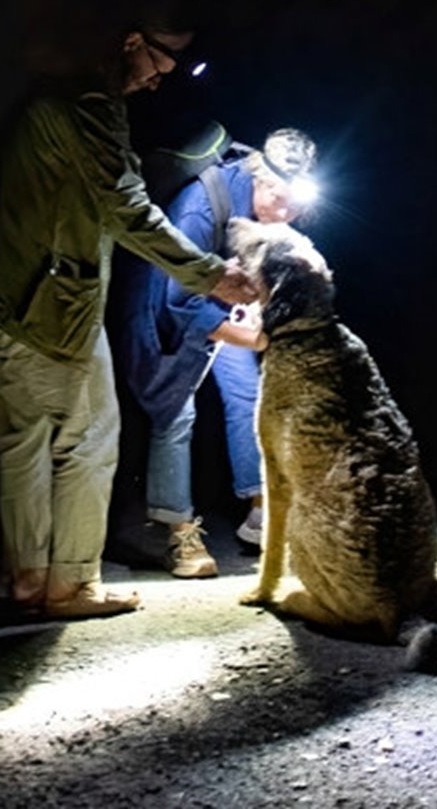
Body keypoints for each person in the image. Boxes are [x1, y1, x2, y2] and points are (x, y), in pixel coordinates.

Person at [0, 13, 258, 619]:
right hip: (51, 300)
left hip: (2, 288)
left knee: (24, 441)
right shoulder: (89, 102)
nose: (158, 81)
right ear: (131, 42)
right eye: (159, 63)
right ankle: (72, 584)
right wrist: (214, 276)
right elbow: (128, 210)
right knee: (91, 438)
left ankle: (28, 580)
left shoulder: (48, 87)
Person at [112, 128, 319, 578]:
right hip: (160, 305)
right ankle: (178, 532)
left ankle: (261, 513)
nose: (285, 213)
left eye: (296, 204)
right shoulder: (201, 206)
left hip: (220, 300)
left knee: (246, 389)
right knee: (176, 412)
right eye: (278, 199)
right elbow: (177, 299)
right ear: (258, 177)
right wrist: (262, 337)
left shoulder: (272, 207)